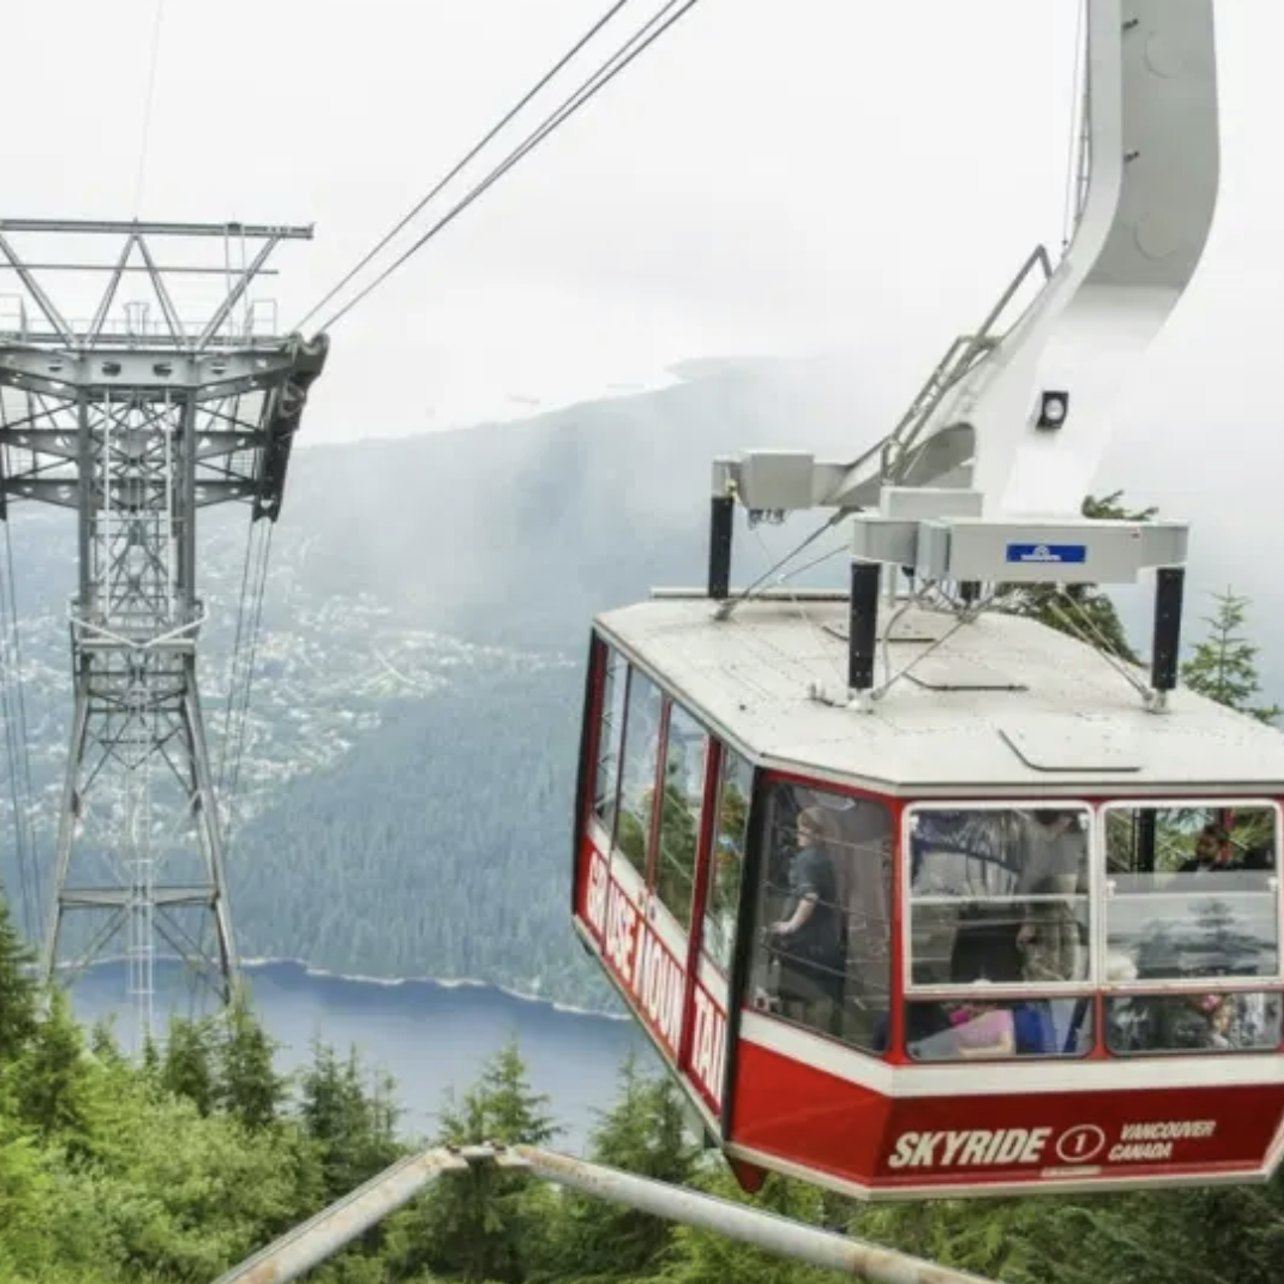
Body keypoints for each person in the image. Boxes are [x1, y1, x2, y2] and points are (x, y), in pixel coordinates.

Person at [769, 806, 844, 1028]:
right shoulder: (828, 858)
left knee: (796, 997)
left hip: (804, 944)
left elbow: (809, 896)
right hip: (827, 940)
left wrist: (790, 926)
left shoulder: (807, 860)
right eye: (799, 829)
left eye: (804, 831)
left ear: (818, 835)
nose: (799, 835)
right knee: (819, 997)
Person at [1015, 810, 1086, 983]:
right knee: (1044, 966)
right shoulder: (1035, 837)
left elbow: (1081, 881)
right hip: (1043, 911)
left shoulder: (1077, 839)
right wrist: (1029, 919)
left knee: (1068, 965)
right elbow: (1028, 879)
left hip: (1066, 911)